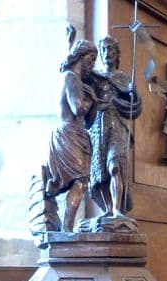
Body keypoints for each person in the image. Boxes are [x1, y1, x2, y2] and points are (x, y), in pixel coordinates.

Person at [82, 35, 142, 228]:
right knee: (100, 173)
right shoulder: (95, 76)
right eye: (104, 49)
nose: (107, 53)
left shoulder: (124, 78)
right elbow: (75, 75)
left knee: (115, 166)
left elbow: (135, 107)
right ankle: (108, 209)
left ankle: (117, 209)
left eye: (111, 49)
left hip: (117, 125)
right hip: (98, 126)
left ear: (117, 54)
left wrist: (133, 93)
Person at [44, 39, 98, 232]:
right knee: (81, 180)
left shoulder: (71, 78)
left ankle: (66, 228)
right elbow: (78, 108)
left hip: (72, 134)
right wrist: (92, 98)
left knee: (80, 181)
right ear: (80, 56)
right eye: (91, 59)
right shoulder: (71, 78)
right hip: (69, 135)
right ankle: (67, 229)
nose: (91, 66)